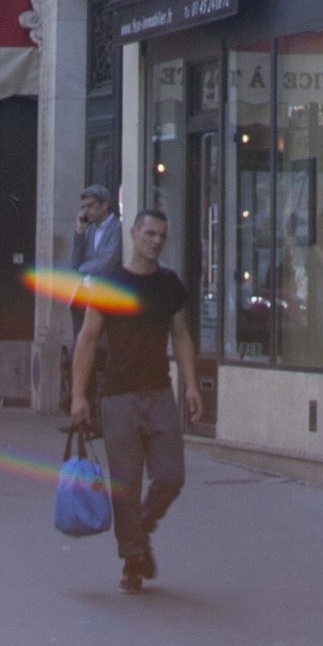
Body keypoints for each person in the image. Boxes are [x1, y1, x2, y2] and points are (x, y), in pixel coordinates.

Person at [62, 206, 209, 590]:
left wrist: (191, 385)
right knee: (125, 485)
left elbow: (180, 334)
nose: (156, 241)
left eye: (162, 236)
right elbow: (87, 340)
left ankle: (140, 529)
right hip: (119, 398)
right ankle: (133, 558)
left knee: (171, 477)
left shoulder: (169, 284)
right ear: (133, 234)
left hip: (159, 393)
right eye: (150, 234)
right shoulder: (108, 284)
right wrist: (78, 396)